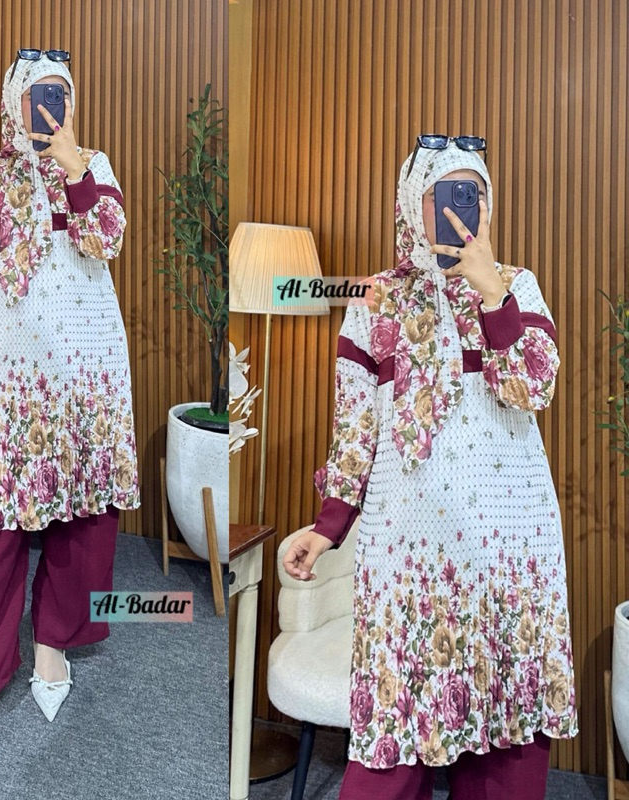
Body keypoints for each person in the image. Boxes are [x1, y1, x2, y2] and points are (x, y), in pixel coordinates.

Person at [282, 140, 579, 800]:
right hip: (407, 555)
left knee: (504, 750)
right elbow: (355, 429)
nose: (457, 211)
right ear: (409, 207)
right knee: (389, 749)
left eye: (473, 196)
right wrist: (328, 527)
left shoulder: (517, 285)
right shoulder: (374, 301)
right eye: (442, 196)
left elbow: (534, 386)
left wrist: (491, 290)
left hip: (509, 554)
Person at [0, 51, 141, 798]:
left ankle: (54, 644)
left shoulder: (94, 165)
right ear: (14, 101)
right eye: (38, 95)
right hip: (15, 377)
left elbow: (106, 240)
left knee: (87, 521)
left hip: (92, 373)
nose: (49, 106)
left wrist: (72, 162)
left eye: (61, 95)